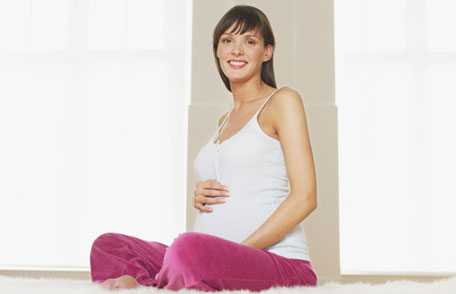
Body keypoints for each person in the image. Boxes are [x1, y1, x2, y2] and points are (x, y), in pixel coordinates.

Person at [89, 5, 318, 291]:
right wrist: (202, 193)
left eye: (249, 41)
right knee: (108, 245)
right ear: (217, 51)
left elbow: (305, 197)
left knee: (187, 249)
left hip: (277, 262)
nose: (237, 50)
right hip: (206, 257)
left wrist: (236, 253)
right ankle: (159, 281)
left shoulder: (283, 101)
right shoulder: (224, 121)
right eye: (227, 41)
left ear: (267, 52)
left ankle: (158, 281)